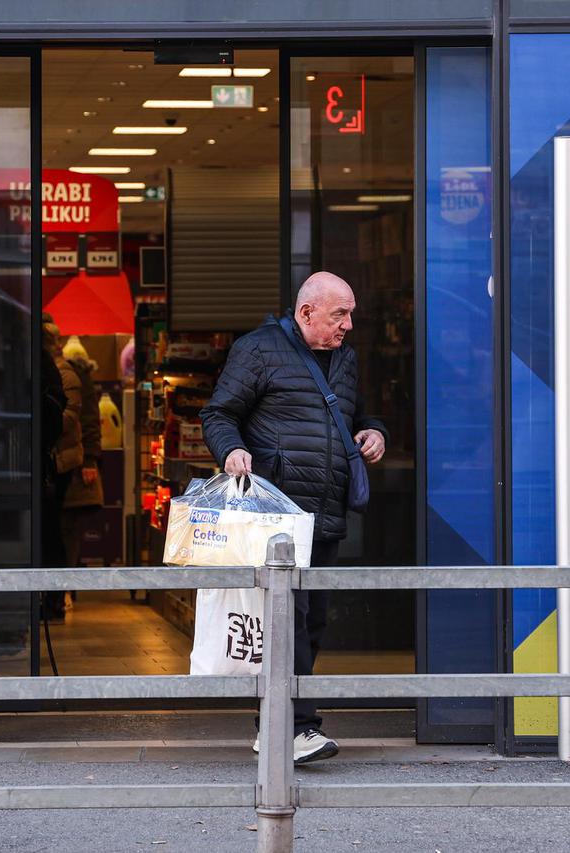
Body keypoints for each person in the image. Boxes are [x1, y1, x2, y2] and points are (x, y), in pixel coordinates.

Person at [200, 271, 387, 764]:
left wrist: (374, 433)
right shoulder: (258, 350)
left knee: (314, 621)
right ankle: (296, 728)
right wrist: (232, 450)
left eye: (350, 314)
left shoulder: (345, 359)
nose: (348, 324)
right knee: (290, 622)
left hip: (325, 515)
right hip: (276, 517)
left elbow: (360, 415)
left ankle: (275, 727)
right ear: (306, 313)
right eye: (338, 314)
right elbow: (218, 414)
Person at [42, 314, 82, 621]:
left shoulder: (63, 373)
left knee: (54, 528)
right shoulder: (57, 371)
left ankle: (55, 596)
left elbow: (69, 416)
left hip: (59, 459)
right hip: (55, 457)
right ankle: (53, 595)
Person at [61, 336, 105, 578]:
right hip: (74, 461)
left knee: (68, 527)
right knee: (68, 528)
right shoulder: (79, 375)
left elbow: (89, 420)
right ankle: (64, 590)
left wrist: (89, 460)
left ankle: (63, 588)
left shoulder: (74, 376)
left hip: (73, 463)